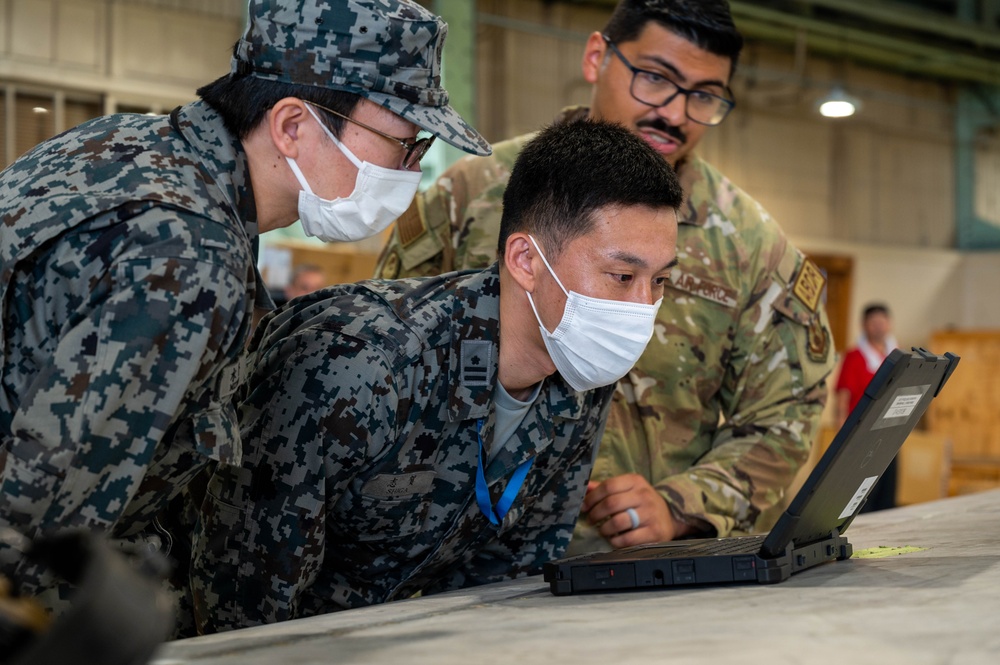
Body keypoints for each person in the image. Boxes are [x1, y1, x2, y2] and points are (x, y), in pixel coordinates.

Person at [0, 0, 489, 628]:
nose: (412, 170)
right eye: (402, 143)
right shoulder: (188, 257)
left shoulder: (129, 145)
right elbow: (49, 537)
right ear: (291, 125)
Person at [374, 0, 836, 554]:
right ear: (597, 56)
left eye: (704, 95)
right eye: (655, 78)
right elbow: (392, 362)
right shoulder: (472, 197)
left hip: (642, 569)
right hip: (463, 557)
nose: (675, 112)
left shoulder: (749, 246)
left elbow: (785, 414)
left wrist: (684, 504)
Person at [191, 119, 682, 632]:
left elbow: (511, 582)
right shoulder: (361, 362)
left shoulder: (584, 372)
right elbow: (239, 601)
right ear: (526, 260)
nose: (642, 308)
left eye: (660, 280)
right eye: (623, 277)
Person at [835, 302, 898, 511]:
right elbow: (842, 397)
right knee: (864, 496)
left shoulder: (896, 356)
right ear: (864, 325)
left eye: (882, 321)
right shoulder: (855, 357)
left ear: (889, 324)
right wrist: (842, 436)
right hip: (862, 435)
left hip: (890, 433)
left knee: (887, 495)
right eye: (873, 322)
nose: (878, 327)